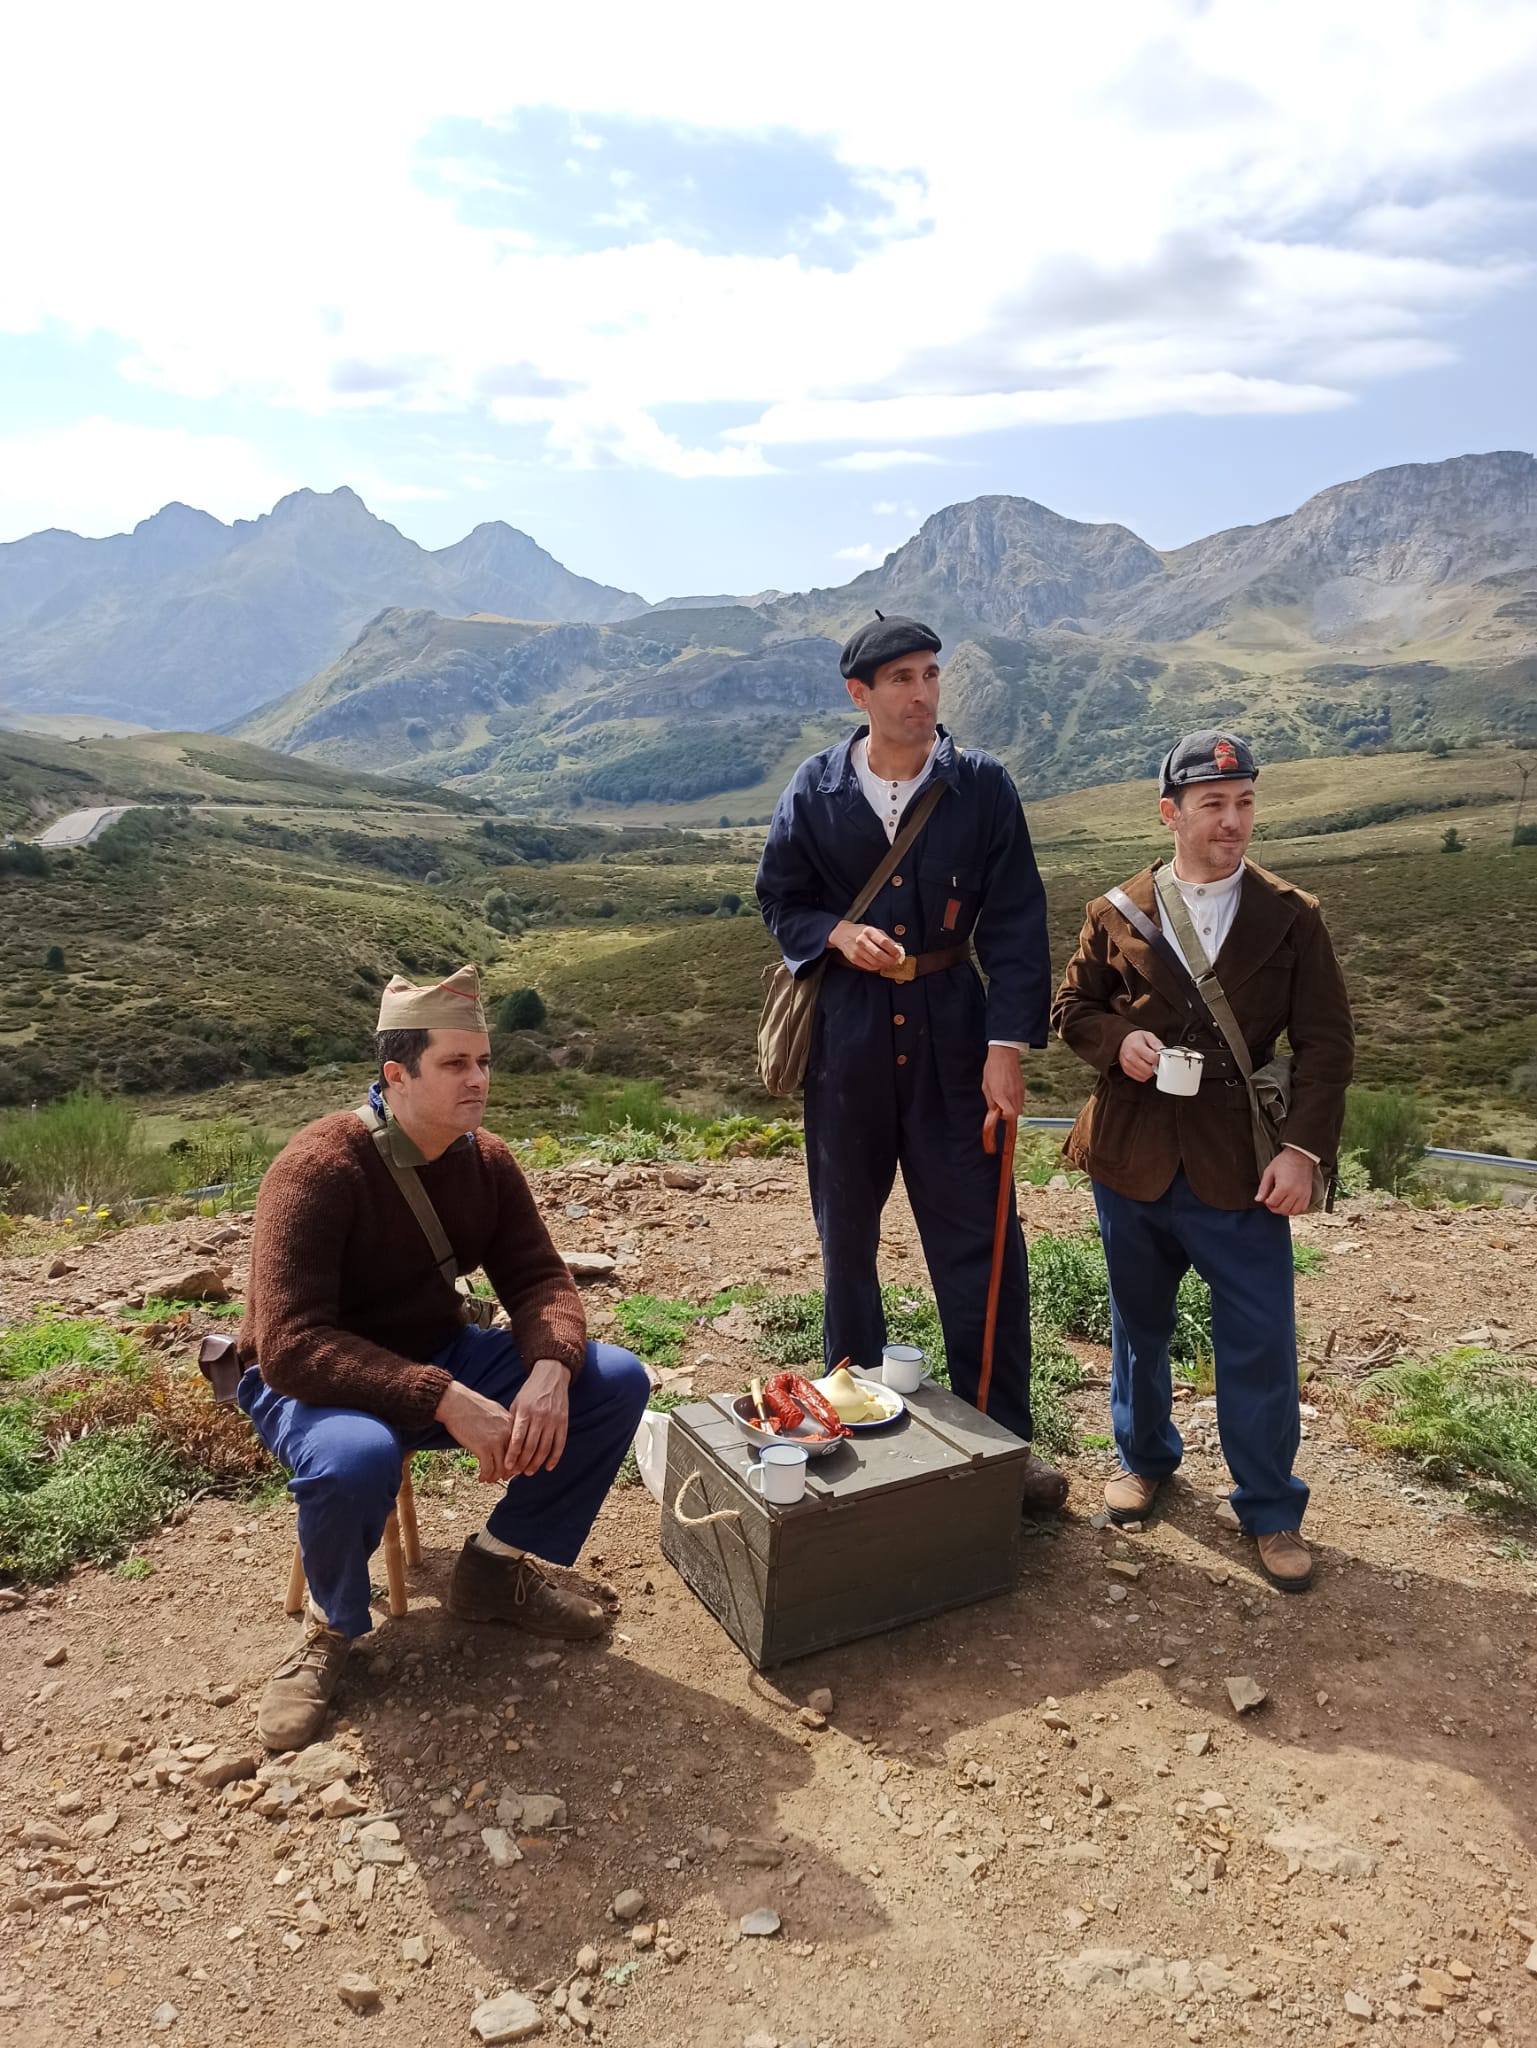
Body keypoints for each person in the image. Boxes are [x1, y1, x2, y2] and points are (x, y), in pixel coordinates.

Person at [237, 967, 650, 1748]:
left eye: (484, 1062)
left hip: (433, 1352)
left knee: (616, 1380)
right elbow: (291, 1346)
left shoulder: (483, 1160)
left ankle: (492, 1568)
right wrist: (445, 1398)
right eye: (456, 1065)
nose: (479, 1080)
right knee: (353, 1459)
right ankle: (329, 1633)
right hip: (318, 1384)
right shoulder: (316, 1169)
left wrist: (552, 1369)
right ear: (397, 1075)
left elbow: (537, 1279)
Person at [755, 614, 1067, 1512]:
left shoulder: (981, 788)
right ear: (859, 694)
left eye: (931, 674)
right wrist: (832, 934)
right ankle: (842, 1445)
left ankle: (1001, 1446)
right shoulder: (813, 790)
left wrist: (1005, 1049)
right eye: (900, 679)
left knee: (981, 1244)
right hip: (845, 1042)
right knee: (846, 1243)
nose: (922, 693)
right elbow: (779, 896)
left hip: (955, 1036)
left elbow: (1013, 920)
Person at [1051, 732, 1354, 1590]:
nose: (1232, 821)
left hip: (1240, 1166)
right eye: (1214, 805)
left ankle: (1269, 1508)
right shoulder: (1117, 910)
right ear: (1171, 813)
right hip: (1130, 1155)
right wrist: (1120, 1042)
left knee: (1258, 1340)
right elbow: (1071, 1007)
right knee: (1138, 1328)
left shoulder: (1292, 916)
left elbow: (1326, 1046)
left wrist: (1301, 1151)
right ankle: (1144, 1461)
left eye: (1245, 802)